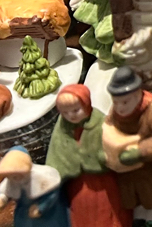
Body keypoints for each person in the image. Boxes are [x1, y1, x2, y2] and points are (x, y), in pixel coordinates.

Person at [101, 66, 152, 222]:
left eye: (125, 102)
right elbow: (109, 126)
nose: (119, 107)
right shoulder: (115, 112)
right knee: (139, 200)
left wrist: (139, 152)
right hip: (131, 174)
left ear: (137, 94)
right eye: (115, 102)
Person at [46, 83, 131, 227]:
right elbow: (56, 154)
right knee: (82, 211)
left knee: (109, 208)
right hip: (77, 184)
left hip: (104, 179)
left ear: (86, 105)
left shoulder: (101, 123)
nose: (71, 115)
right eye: (65, 112)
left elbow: (115, 144)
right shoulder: (62, 129)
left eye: (76, 110)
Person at [0, 147, 69, 227]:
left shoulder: (42, 177)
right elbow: (6, 191)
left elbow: (51, 196)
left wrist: (40, 208)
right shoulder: (11, 180)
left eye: (18, 174)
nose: (15, 178)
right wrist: (2, 199)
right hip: (23, 212)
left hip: (46, 214)